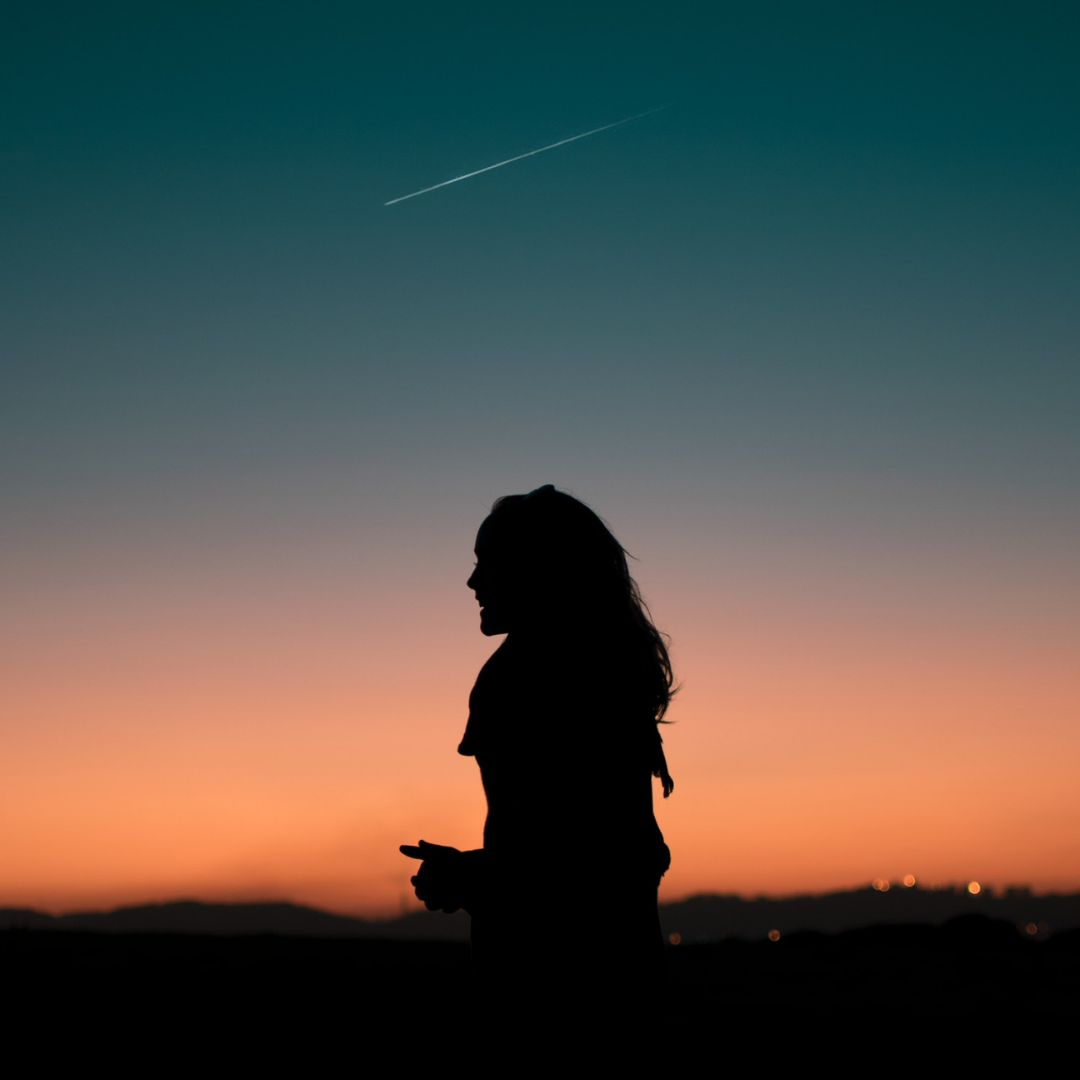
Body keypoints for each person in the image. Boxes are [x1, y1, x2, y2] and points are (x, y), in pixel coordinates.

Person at [401, 485, 674, 992]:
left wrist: (472, 876)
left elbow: (594, 858)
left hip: (562, 977)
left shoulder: (534, 679)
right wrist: (477, 874)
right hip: (613, 966)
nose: (473, 581)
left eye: (490, 563)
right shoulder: (598, 670)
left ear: (541, 570)